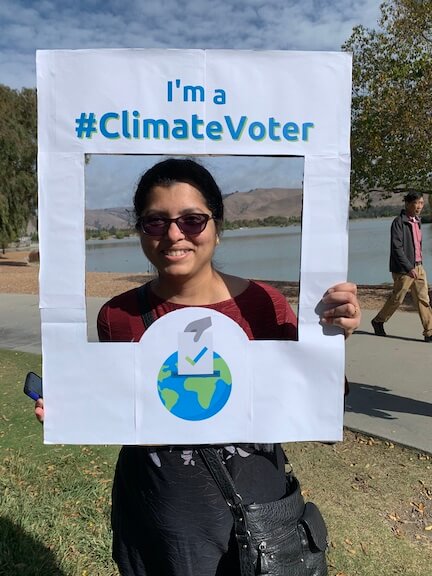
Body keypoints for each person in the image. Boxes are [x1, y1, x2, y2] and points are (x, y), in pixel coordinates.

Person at [36, 158, 361, 575]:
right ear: (140, 230)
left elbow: (321, 411)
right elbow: (125, 408)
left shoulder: (263, 306)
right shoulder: (117, 316)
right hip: (157, 519)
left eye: (192, 220)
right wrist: (70, 409)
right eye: (156, 221)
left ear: (217, 227)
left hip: (254, 523)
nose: (174, 234)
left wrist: (333, 343)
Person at [371, 191, 432, 342]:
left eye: (421, 203)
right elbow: (397, 247)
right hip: (404, 269)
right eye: (416, 203)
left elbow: (417, 245)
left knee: (423, 299)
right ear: (407, 204)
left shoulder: (418, 221)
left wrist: (418, 265)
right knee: (397, 298)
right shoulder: (398, 222)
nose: (419, 206)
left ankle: (429, 332)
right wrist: (408, 267)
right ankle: (378, 321)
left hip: (418, 267)